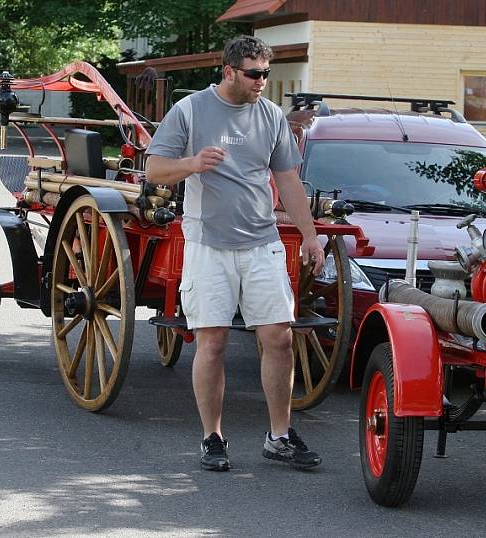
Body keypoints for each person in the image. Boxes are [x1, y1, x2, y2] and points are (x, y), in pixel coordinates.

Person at [145, 35, 325, 472]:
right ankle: (212, 437)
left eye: (267, 72)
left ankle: (279, 436)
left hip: (262, 242)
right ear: (229, 71)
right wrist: (190, 164)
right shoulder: (190, 109)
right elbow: (153, 169)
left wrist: (311, 235)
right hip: (209, 243)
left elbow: (287, 181)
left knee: (279, 338)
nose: (263, 80)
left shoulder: (272, 117)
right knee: (213, 341)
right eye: (254, 73)